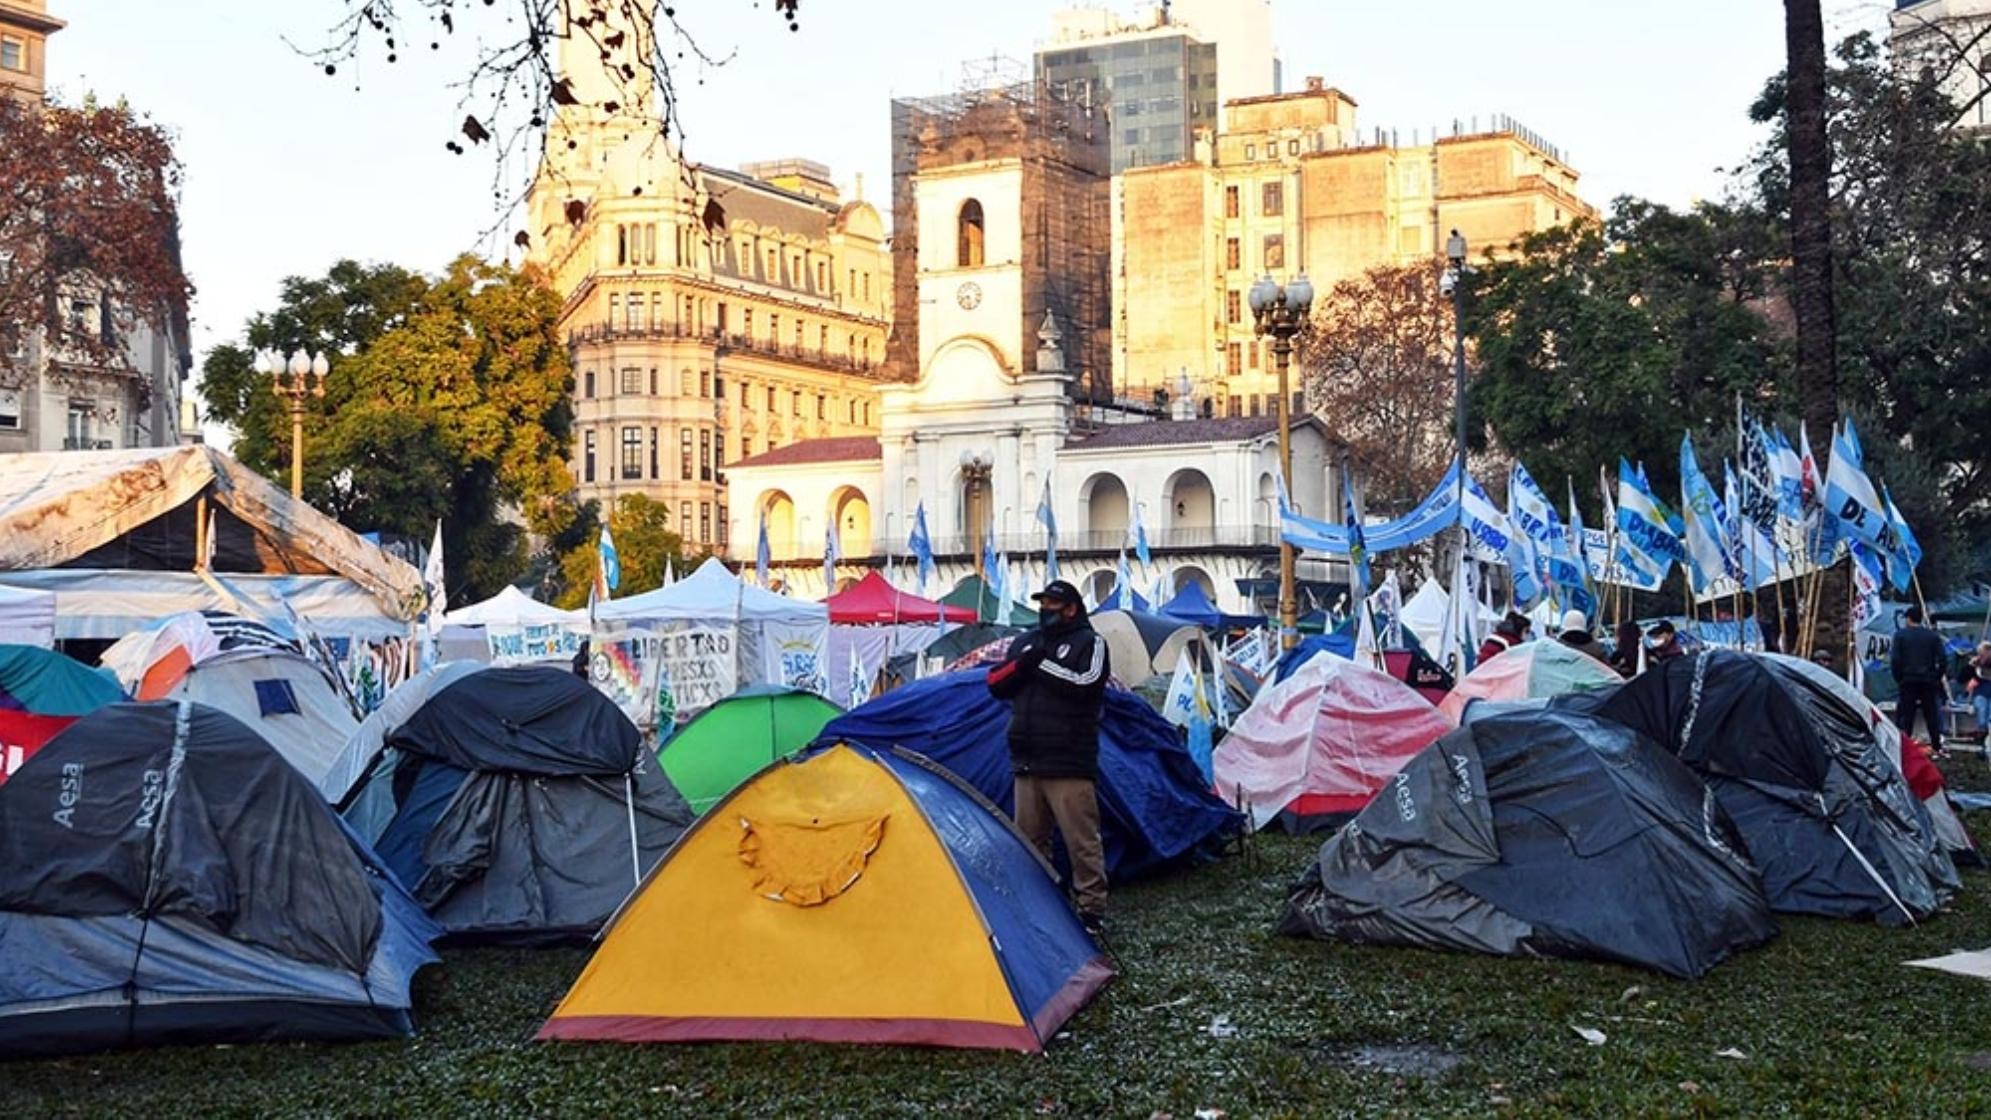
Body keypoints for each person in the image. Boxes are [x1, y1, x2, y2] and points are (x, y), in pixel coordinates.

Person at [986, 579, 1112, 937]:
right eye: (1042, 604)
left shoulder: (1091, 643)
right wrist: (1026, 663)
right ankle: (1042, 903)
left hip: (1069, 759)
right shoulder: (1027, 642)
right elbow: (996, 682)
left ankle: (1091, 909)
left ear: (1071, 608)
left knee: (1081, 839)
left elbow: (1085, 684)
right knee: (1029, 839)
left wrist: (1038, 665)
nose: (1045, 610)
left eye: (1052, 604)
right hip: (1026, 757)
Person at [1890, 606, 1949, 753]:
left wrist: (1899, 678)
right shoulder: (1932, 636)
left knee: (1906, 715)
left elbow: (1895, 660)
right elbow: (1943, 659)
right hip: (1928, 680)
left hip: (1908, 679)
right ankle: (1936, 745)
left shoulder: (1900, 636)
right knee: (1931, 714)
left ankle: (1904, 747)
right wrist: (1936, 677)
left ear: (1909, 619)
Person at [1969, 642, 1991, 746]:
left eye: (1983, 653)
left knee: (1989, 718)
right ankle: (1982, 740)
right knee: (1982, 717)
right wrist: (1970, 666)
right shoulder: (1976, 665)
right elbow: (1961, 677)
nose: (1980, 656)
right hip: (1981, 692)